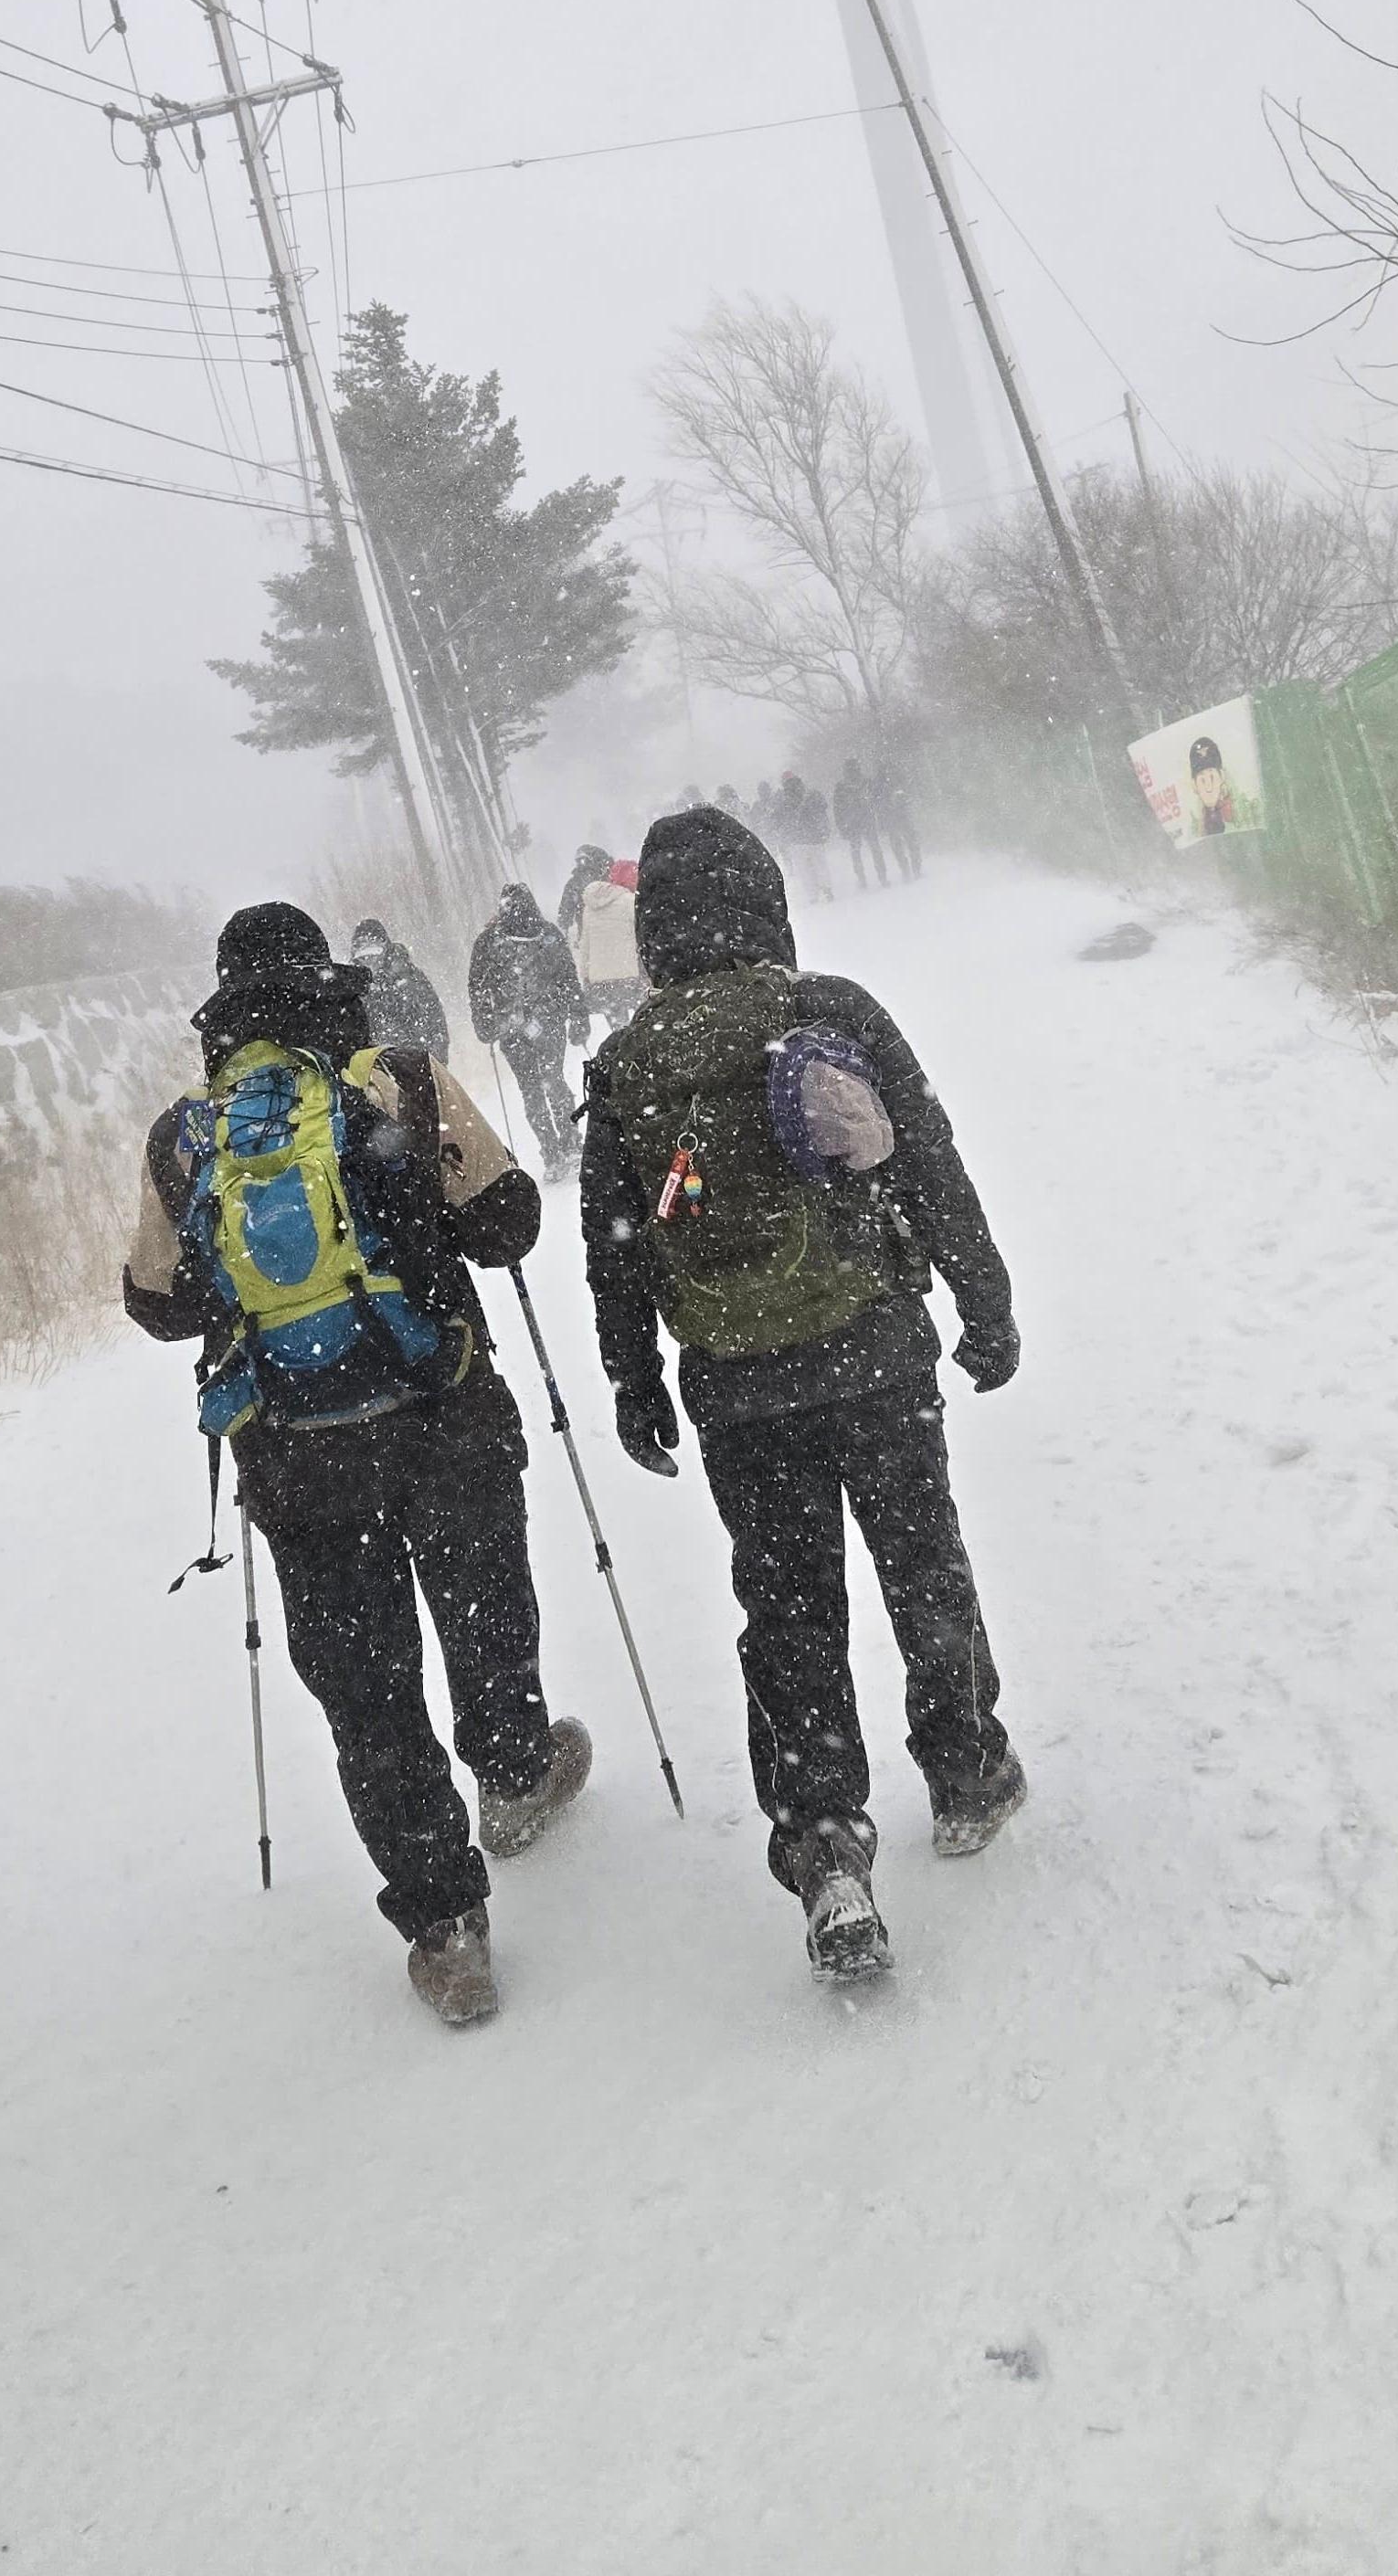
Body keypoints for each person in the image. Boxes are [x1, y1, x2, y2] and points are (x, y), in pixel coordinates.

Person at [124, 901, 590, 2030]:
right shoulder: (401, 1080)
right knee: (482, 1608)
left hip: (297, 1459)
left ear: (222, 1007)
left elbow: (155, 1303)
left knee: (364, 1683)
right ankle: (515, 1772)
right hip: (441, 1414)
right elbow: (511, 1222)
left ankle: (442, 1925)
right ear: (326, 982)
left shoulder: (187, 1133)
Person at [579, 808, 1024, 1984]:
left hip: (737, 1392)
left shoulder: (626, 1068)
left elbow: (613, 1247)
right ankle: (965, 1766)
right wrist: (985, 1302)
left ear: (655, 933)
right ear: (763, 901)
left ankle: (825, 1846)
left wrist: (633, 1380)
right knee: (920, 1559)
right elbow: (926, 1157)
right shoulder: (828, 1010)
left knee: (786, 1611)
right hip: (875, 1352)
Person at [469, 882, 588, 1178]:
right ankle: (568, 1144)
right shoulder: (547, 934)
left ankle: (553, 1152)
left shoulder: (487, 943)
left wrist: (486, 1023)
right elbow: (568, 977)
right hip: (547, 1022)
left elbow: (478, 988)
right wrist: (577, 1015)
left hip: (513, 1027)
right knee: (552, 1082)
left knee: (533, 1089)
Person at [350, 915, 450, 1062]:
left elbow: (435, 1022)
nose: (368, 959)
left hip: (413, 1063)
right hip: (371, 1066)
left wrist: (435, 1062)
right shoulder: (353, 986)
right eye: (363, 953)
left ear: (385, 949)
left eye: (373, 950)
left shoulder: (410, 979)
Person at [570, 855, 645, 1033]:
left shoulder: (590, 907)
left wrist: (586, 977)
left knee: (619, 1031)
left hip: (602, 983)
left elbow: (585, 946)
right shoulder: (631, 902)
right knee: (643, 1027)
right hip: (630, 978)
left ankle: (624, 1057)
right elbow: (642, 938)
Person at [778, 768, 833, 908]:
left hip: (797, 840)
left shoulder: (784, 799)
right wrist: (824, 830)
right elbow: (823, 808)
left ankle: (812, 895)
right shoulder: (811, 793)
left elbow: (780, 820)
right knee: (820, 864)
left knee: (804, 870)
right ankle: (827, 889)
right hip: (815, 837)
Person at [833, 757, 887, 891]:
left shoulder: (841, 786)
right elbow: (877, 798)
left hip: (851, 823)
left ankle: (862, 880)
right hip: (867, 819)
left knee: (856, 852)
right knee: (875, 849)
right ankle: (883, 877)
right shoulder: (866, 782)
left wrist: (841, 826)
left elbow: (837, 809)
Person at [873, 761, 923, 884]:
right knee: (910, 842)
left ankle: (907, 869)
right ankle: (914, 868)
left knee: (900, 845)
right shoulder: (898, 778)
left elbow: (877, 803)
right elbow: (907, 794)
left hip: (893, 817)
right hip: (900, 815)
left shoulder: (880, 783)